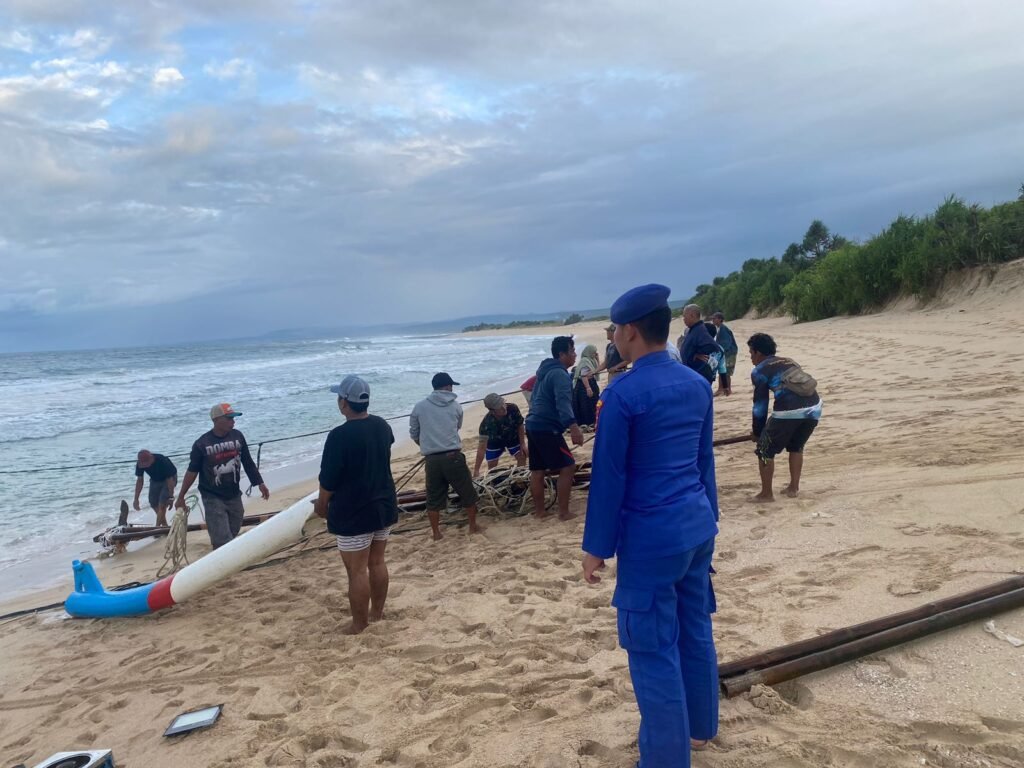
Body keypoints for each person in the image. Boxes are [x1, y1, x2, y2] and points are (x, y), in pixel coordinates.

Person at [582, 284, 719, 768]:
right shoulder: (695, 383)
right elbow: (704, 463)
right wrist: (712, 518)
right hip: (697, 525)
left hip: (651, 538)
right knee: (694, 626)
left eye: (616, 330)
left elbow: (609, 478)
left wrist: (596, 547)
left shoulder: (622, 394)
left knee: (652, 647)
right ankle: (701, 731)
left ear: (630, 332)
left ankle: (665, 758)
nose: (614, 337)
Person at [314, 375, 399, 635]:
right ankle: (376, 613)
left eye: (339, 397)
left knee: (357, 570)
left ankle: (359, 624)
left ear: (344, 403)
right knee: (377, 562)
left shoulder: (339, 436)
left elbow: (328, 479)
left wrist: (321, 505)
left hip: (353, 510)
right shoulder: (382, 426)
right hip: (383, 503)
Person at [174, 403, 270, 549]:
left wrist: (259, 483)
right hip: (212, 495)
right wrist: (181, 496)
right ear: (217, 420)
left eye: (233, 418)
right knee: (221, 536)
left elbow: (247, 461)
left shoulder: (238, 436)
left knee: (235, 524)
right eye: (229, 418)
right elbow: (192, 471)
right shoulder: (202, 444)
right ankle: (222, 553)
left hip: (233, 492)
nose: (233, 421)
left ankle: (225, 550)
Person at [748, 333, 822, 502]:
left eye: (751, 353)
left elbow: (760, 406)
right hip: (814, 407)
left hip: (789, 411)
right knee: (796, 445)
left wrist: (758, 432)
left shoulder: (759, 371)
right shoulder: (790, 361)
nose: (751, 358)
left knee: (764, 450)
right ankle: (793, 487)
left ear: (758, 353)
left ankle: (766, 494)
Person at [409, 372, 482, 540]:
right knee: (467, 493)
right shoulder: (455, 405)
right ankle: (472, 527)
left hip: (432, 459)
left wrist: (428, 446)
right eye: (451, 385)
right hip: (452, 455)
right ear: (447, 386)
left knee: (433, 497)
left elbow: (414, 433)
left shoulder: (419, 407)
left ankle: (436, 533)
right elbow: (456, 427)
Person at [524, 336, 585, 520]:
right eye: (572, 351)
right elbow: (563, 402)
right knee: (568, 467)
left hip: (532, 423)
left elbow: (534, 399)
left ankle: (540, 512)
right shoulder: (559, 374)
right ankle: (564, 512)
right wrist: (573, 427)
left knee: (538, 470)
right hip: (546, 427)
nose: (575, 355)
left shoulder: (543, 372)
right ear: (562, 354)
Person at [473, 393, 527, 476]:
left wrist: (522, 443)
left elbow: (520, 425)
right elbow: (481, 447)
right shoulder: (486, 424)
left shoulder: (513, 408)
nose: (503, 408)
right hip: (495, 441)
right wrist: (476, 470)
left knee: (523, 455)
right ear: (492, 410)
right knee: (492, 466)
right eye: (499, 407)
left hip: (511, 436)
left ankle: (520, 475)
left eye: (503, 403)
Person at [133, 450, 177, 527]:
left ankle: (157, 527)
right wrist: (136, 499)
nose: (145, 466)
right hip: (154, 480)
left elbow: (170, 480)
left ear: (151, 458)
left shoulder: (162, 460)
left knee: (162, 504)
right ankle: (165, 526)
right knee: (153, 503)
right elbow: (140, 480)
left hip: (169, 479)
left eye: (146, 463)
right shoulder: (139, 463)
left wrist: (171, 497)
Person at [677, 304, 720, 382]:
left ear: (692, 316)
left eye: (684, 316)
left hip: (698, 374)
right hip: (692, 373)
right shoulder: (693, 329)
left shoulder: (700, 330)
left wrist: (696, 354)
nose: (683, 319)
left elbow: (713, 346)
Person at [571, 344, 601, 428]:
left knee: (592, 403)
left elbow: (596, 370)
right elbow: (583, 375)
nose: (595, 354)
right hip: (584, 385)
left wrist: (597, 358)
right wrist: (588, 388)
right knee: (586, 404)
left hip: (590, 382)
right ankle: (587, 422)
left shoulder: (591, 360)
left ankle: (592, 421)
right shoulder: (585, 361)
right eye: (594, 352)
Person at [711, 312, 737, 396]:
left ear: (719, 319)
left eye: (714, 318)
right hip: (726, 353)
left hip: (729, 353)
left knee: (726, 371)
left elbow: (726, 343)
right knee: (722, 370)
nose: (713, 320)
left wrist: (720, 351)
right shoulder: (719, 328)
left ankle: (727, 389)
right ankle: (721, 389)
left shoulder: (723, 329)